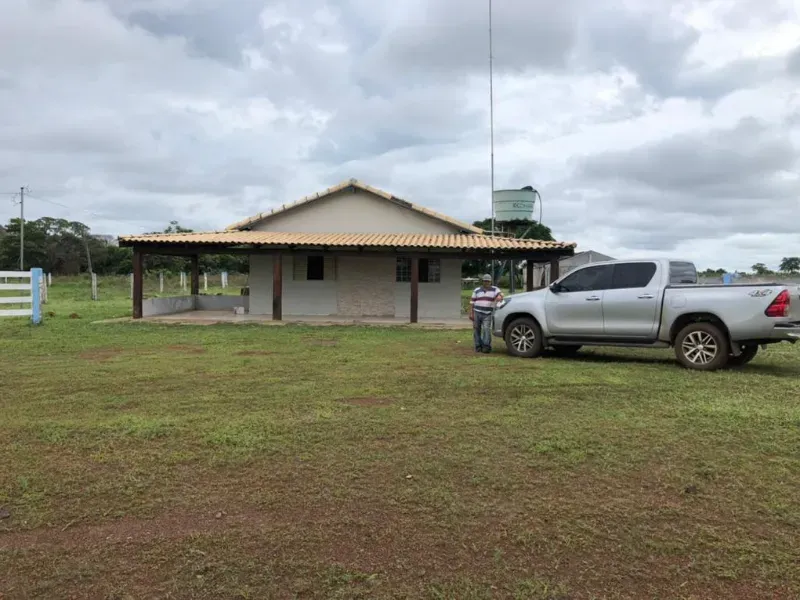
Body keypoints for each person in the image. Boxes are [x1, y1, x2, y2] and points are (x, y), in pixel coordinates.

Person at [469, 274, 504, 353]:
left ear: (490, 281)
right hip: (477, 312)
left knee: (486, 329)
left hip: (487, 313)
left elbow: (501, 294)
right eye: (485, 281)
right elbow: (472, 302)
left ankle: (486, 346)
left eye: (488, 281)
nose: (486, 282)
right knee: (476, 329)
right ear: (483, 281)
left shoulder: (495, 289)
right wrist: (471, 313)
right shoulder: (477, 290)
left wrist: (500, 296)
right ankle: (478, 346)